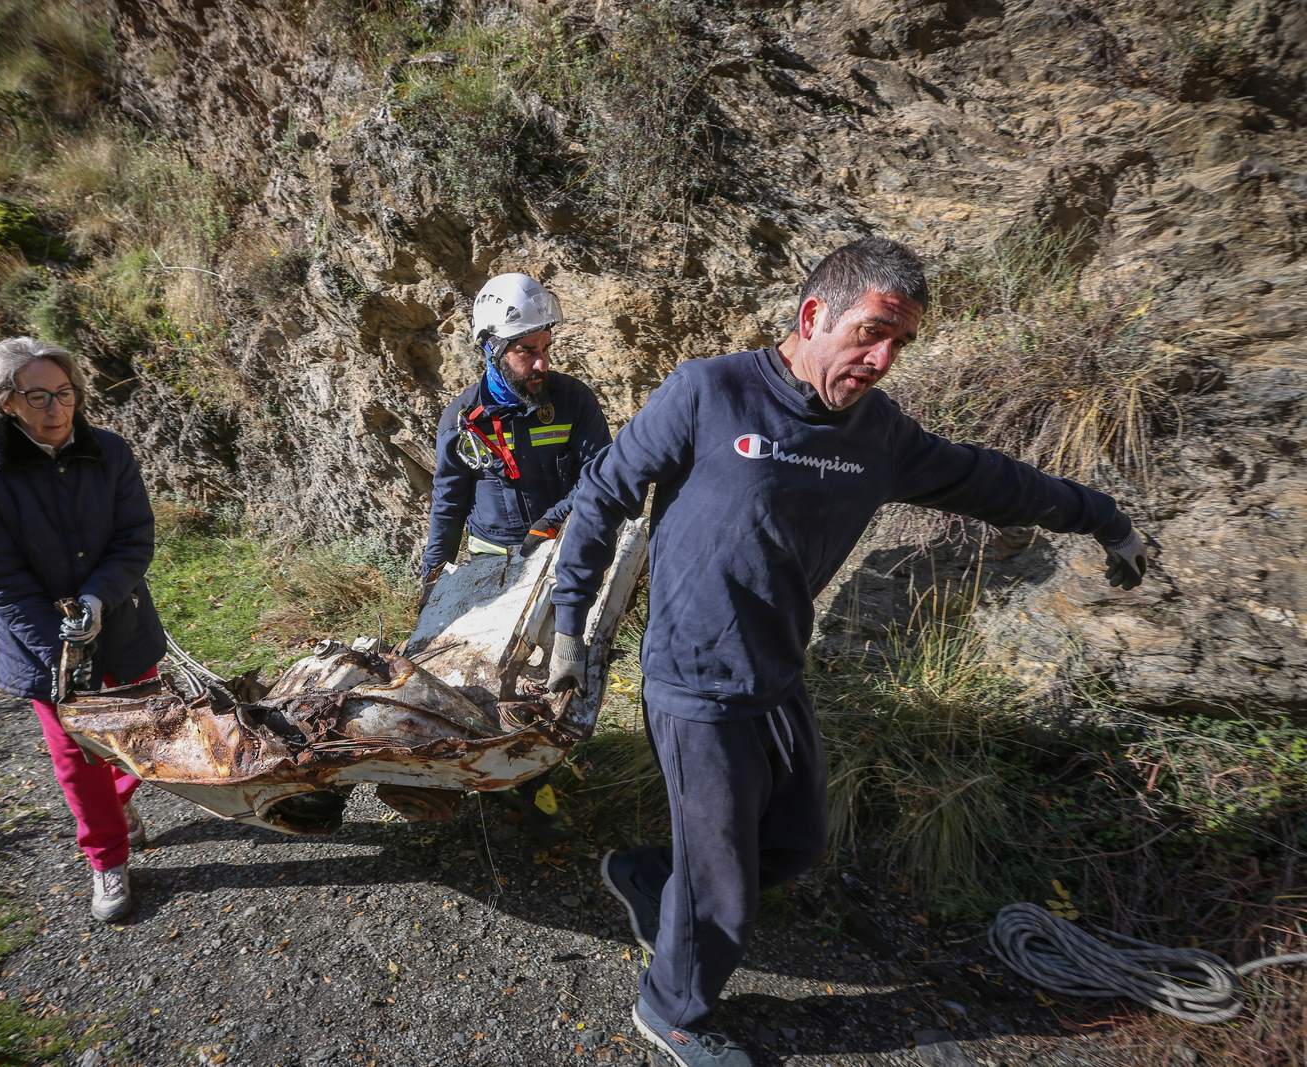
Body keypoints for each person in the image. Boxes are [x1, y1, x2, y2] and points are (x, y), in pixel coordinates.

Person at [546, 237, 1149, 1066]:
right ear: (812, 315)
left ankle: (649, 877)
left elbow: (997, 479)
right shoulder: (709, 391)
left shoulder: (880, 436)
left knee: (794, 844)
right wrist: (568, 629)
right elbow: (603, 495)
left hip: (777, 672)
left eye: (899, 343)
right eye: (871, 332)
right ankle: (673, 1009)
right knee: (725, 885)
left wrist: (1102, 516)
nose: (882, 358)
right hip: (692, 677)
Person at [0, 337, 167, 923]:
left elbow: (134, 540)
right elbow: (1, 576)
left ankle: (119, 808)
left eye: (65, 393)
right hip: (41, 643)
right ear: (6, 403)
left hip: (122, 622)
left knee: (134, 740)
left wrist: (98, 599)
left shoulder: (112, 452)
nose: (56, 408)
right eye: (38, 396)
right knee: (77, 755)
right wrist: (64, 652)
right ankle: (106, 858)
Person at [419, 273, 611, 582]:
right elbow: (449, 504)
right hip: (493, 572)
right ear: (493, 349)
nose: (542, 364)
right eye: (527, 351)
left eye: (546, 348)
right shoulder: (461, 420)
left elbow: (603, 472)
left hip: (565, 549)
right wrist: (432, 577)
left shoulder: (572, 401)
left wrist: (556, 518)